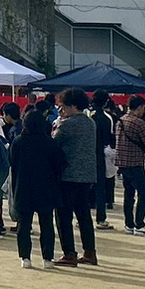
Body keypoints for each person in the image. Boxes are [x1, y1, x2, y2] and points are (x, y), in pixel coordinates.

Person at [10, 108, 65, 269]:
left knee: (24, 224)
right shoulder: (49, 142)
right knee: (46, 224)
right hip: (46, 187)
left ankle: (25, 257)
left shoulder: (18, 141)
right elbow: (60, 164)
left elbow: (12, 162)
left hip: (23, 186)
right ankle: (48, 258)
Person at [51, 89, 98, 266]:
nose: (61, 110)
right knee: (84, 215)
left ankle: (69, 253)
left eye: (63, 106)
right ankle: (90, 251)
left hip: (68, 175)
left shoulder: (67, 125)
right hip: (87, 175)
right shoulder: (90, 123)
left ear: (73, 106)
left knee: (63, 216)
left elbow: (54, 145)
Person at [116, 95, 145, 235]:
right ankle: (139, 224)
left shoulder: (120, 121)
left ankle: (129, 224)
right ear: (140, 107)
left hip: (122, 162)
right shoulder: (138, 123)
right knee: (143, 194)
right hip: (135, 162)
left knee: (128, 194)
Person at [90, 90, 117, 227]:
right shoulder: (107, 118)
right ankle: (100, 218)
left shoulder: (87, 114)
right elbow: (109, 139)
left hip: (85, 154)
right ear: (106, 101)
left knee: (84, 188)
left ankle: (81, 217)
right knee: (100, 187)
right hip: (100, 154)